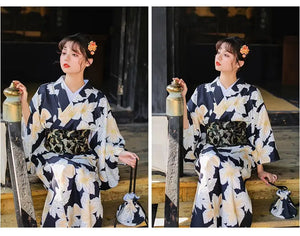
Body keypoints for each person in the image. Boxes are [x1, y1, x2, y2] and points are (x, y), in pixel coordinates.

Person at [14, 33, 139, 227]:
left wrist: (118, 153)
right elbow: (34, 128)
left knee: (86, 179)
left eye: (74, 54)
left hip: (82, 157)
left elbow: (107, 133)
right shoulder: (45, 91)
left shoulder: (97, 98)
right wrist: (24, 103)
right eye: (64, 53)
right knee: (65, 171)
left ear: (88, 62)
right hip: (49, 156)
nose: (66, 58)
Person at [175, 36, 280, 227]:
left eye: (226, 54)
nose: (219, 57)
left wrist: (261, 169)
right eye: (218, 52)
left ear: (239, 63)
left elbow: (260, 128)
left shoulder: (251, 93)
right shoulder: (202, 91)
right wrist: (183, 98)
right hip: (210, 149)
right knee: (209, 161)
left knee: (229, 170)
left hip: (240, 152)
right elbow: (189, 125)